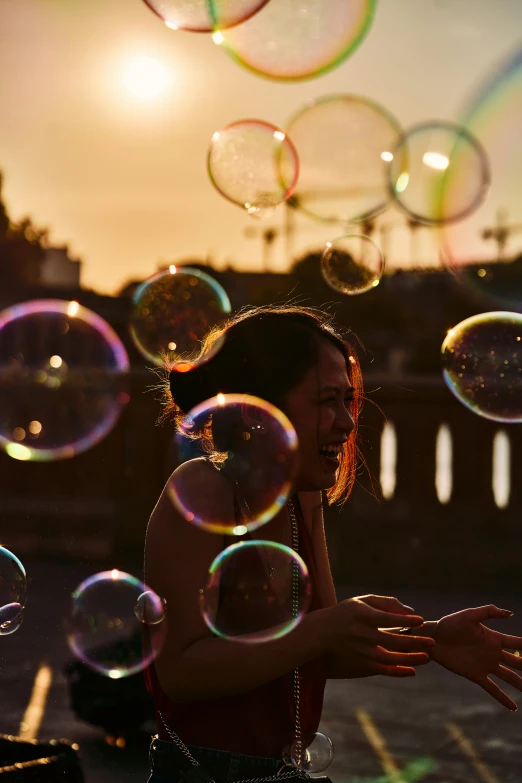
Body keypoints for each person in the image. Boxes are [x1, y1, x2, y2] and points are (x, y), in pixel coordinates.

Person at [144, 305, 522, 783]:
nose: (347, 423)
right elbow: (181, 672)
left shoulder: (302, 499)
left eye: (348, 400)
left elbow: (320, 650)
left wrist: (430, 639)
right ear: (260, 408)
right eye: (327, 401)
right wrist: (326, 628)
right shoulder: (202, 491)